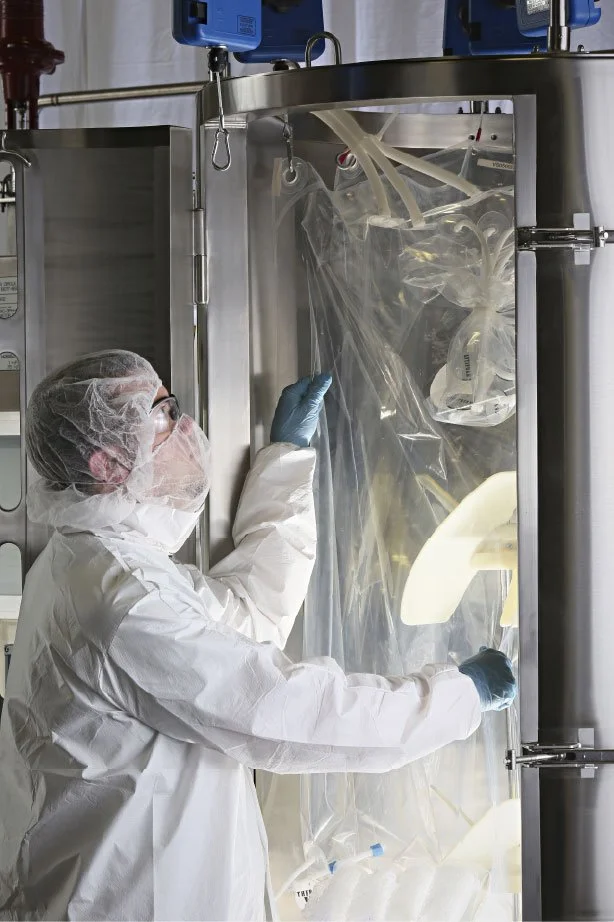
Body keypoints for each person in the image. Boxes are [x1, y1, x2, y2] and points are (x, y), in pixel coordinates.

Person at [0, 350, 516, 922]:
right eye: (164, 413)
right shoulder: (119, 599)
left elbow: (245, 615)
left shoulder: (105, 565)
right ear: (108, 464)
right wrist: (456, 696)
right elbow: (279, 708)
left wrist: (287, 460)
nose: (188, 426)